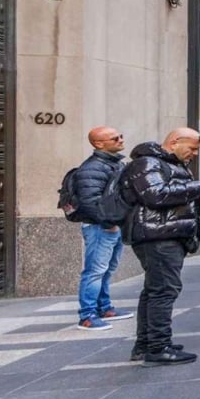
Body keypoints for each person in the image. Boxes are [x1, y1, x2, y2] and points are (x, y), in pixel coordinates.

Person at [122, 127, 200, 364]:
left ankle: (146, 344)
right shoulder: (147, 163)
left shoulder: (173, 165)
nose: (195, 154)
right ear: (175, 142)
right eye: (193, 148)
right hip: (157, 236)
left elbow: (182, 200)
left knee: (155, 290)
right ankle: (158, 346)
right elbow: (156, 195)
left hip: (167, 233)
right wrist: (198, 186)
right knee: (164, 290)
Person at [70, 126, 133, 330]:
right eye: (115, 138)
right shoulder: (92, 168)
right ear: (98, 143)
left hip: (112, 225)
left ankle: (104, 307)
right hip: (101, 227)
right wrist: (109, 223)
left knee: (106, 269)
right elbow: (90, 201)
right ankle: (87, 315)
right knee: (95, 271)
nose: (121, 140)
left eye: (120, 135)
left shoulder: (111, 164)